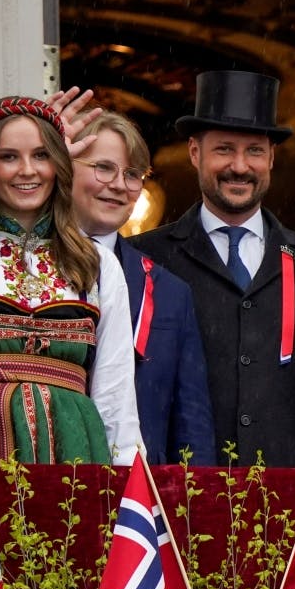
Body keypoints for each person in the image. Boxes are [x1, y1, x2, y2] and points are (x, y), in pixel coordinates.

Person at [131, 70, 295, 468]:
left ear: (272, 158)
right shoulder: (146, 259)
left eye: (255, 151)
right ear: (195, 153)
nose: (240, 166)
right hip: (183, 497)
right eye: (224, 149)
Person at [0, 96, 141, 465]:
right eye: (9, 156)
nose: (27, 170)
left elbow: (115, 396)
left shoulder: (97, 263)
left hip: (73, 454)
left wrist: (127, 493)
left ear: (59, 164)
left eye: (42, 155)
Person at [71, 110, 216, 466]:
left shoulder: (170, 292)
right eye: (103, 167)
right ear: (65, 168)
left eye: (133, 174)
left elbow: (191, 427)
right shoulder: (18, 262)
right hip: (35, 484)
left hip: (138, 504)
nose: (120, 185)